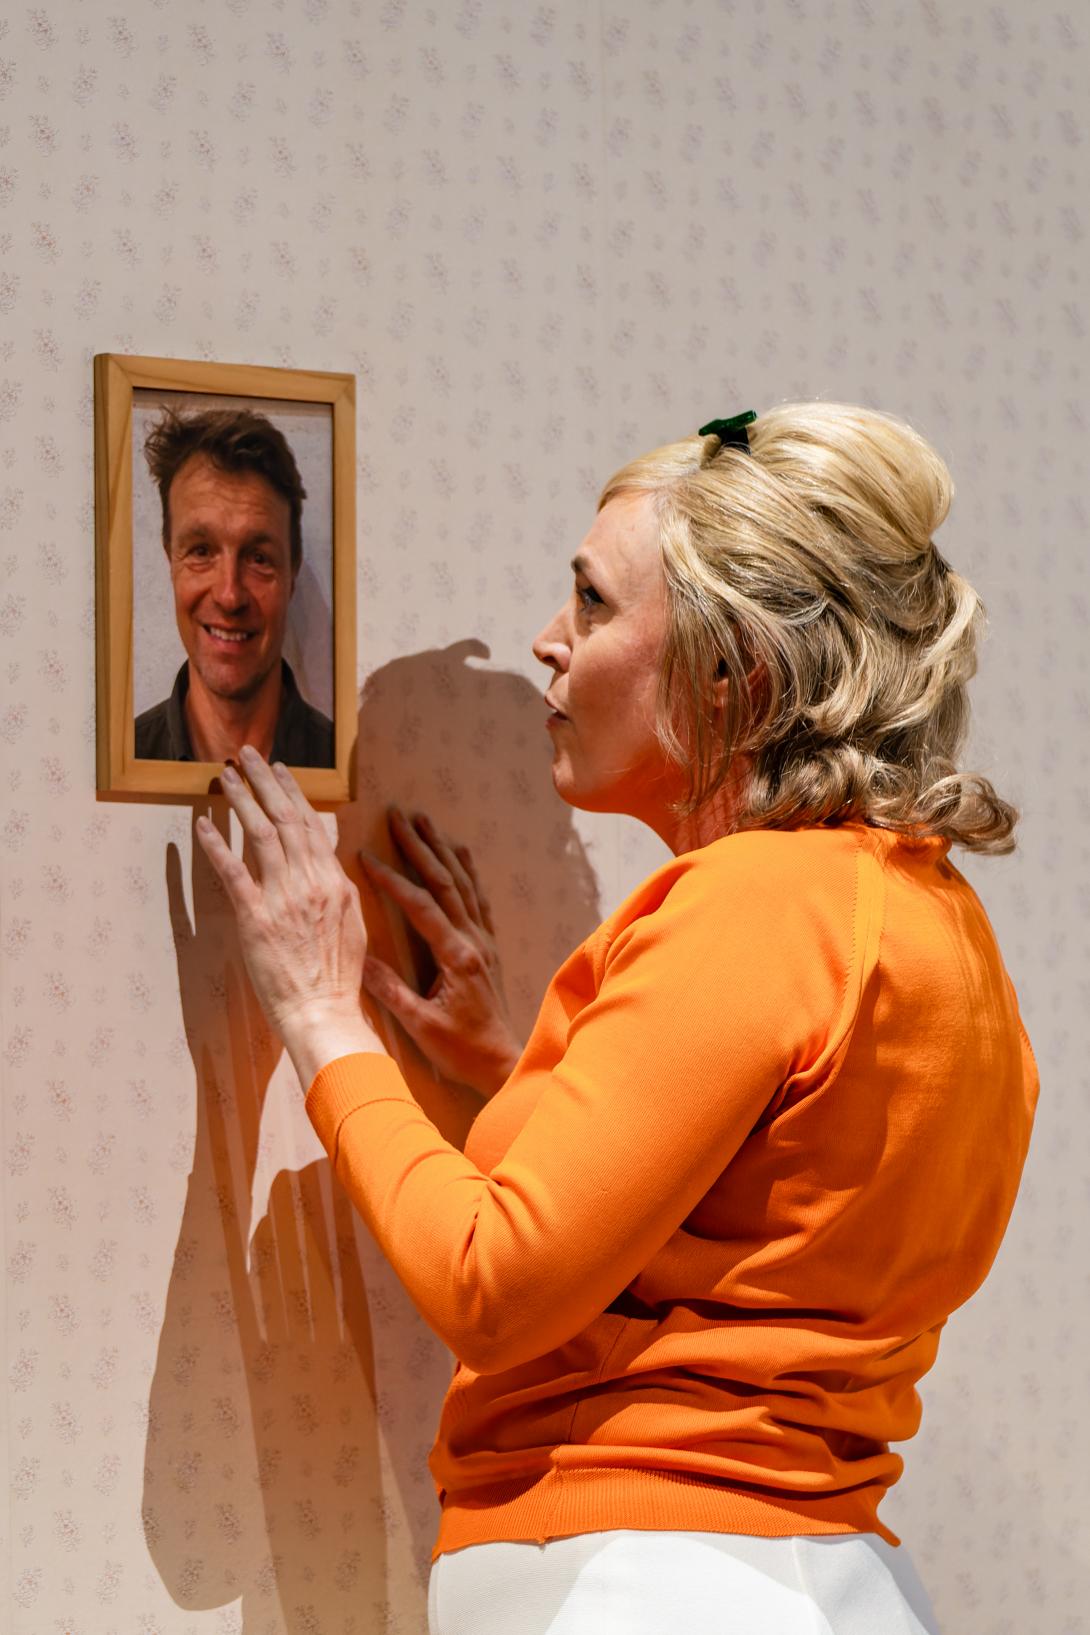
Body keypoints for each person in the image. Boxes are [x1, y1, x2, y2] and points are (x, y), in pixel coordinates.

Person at [196, 402, 1038, 1635]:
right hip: (812, 1577)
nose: (551, 640)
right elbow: (760, 1218)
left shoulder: (754, 908)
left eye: (592, 603)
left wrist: (326, 1015)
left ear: (731, 670)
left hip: (654, 1583)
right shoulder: (930, 919)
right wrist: (517, 1073)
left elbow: (489, 1283)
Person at [135, 406, 334, 767]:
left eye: (258, 558)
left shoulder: (354, 776)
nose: (229, 596)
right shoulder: (116, 768)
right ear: (170, 561)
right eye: (201, 551)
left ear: (292, 572)